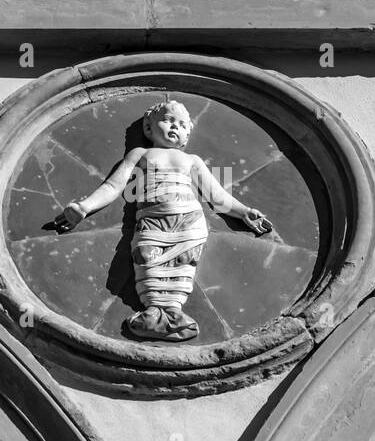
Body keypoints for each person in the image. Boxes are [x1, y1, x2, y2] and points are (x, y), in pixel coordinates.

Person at [52, 100, 272, 341]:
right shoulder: (141, 154)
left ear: (188, 134)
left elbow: (217, 196)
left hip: (188, 220)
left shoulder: (192, 161)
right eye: (168, 121)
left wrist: (243, 212)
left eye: (181, 125)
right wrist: (84, 207)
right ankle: (154, 312)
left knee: (182, 264)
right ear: (149, 128)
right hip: (152, 220)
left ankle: (174, 314)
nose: (174, 127)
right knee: (147, 257)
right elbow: (114, 186)